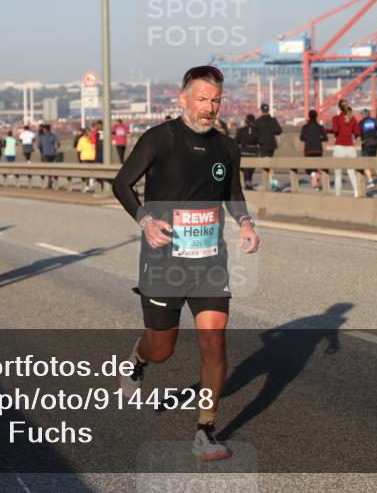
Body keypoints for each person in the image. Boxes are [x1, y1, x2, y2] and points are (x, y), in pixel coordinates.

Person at [111, 65, 259, 463]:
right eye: (202, 99)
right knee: (163, 349)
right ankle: (139, 361)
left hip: (209, 262)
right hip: (163, 262)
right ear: (182, 99)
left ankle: (204, 432)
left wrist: (245, 222)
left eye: (215, 100)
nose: (209, 108)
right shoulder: (160, 139)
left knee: (214, 342)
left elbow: (233, 192)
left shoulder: (227, 148)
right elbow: (121, 183)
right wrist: (144, 219)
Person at [330, 102, 360, 197]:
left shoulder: (336, 118)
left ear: (339, 108)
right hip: (350, 148)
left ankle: (338, 195)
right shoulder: (352, 118)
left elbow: (335, 130)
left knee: (338, 174)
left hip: (339, 147)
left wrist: (327, 131)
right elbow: (357, 132)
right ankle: (356, 192)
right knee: (351, 172)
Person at [299, 109, 328, 189]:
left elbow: (301, 138)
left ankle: (315, 176)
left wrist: (308, 138)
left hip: (309, 150)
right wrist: (318, 139)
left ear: (309, 116)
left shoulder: (305, 127)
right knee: (316, 167)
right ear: (316, 116)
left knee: (308, 169)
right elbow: (326, 138)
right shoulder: (320, 127)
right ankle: (316, 184)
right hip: (318, 150)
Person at [357, 108, 377, 190]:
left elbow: (359, 133)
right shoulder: (374, 120)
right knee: (373, 160)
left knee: (365, 163)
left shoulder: (361, 122)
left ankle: (371, 181)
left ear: (362, 115)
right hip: (374, 143)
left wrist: (361, 139)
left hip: (366, 144)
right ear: (369, 114)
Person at [234, 114, 260, 190]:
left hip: (244, 151)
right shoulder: (257, 130)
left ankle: (247, 183)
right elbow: (260, 141)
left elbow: (236, 142)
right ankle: (248, 182)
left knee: (246, 169)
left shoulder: (241, 130)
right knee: (251, 169)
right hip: (254, 152)